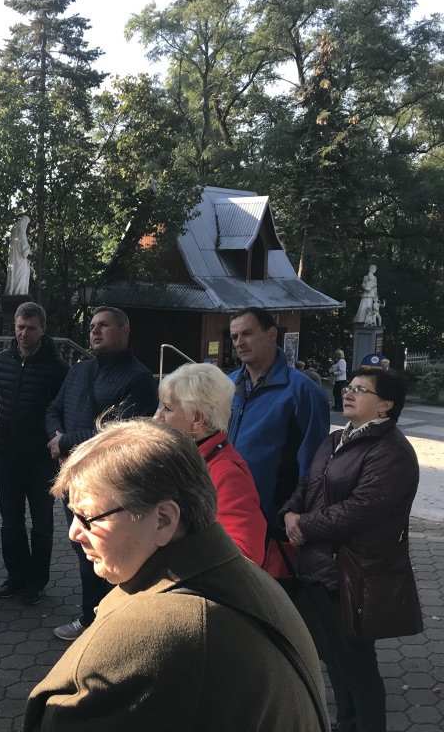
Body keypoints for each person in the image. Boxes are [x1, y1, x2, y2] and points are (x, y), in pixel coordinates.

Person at [24, 419, 327, 732]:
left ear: (163, 520)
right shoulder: (244, 575)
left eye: (88, 517)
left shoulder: (152, 633)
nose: (74, 533)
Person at [281, 368, 419, 732]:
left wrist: (303, 525)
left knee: (357, 666)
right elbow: (310, 482)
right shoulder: (336, 439)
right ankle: (347, 724)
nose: (349, 392)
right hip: (320, 568)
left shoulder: (391, 451)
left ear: (385, 405)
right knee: (335, 661)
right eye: (349, 386)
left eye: (361, 389)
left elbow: (362, 509)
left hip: (354, 572)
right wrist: (290, 512)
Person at [45, 306, 157, 640]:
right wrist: (56, 438)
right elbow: (53, 408)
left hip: (109, 482)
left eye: (104, 325)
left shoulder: (139, 378)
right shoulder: (79, 370)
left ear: (124, 331)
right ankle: (91, 618)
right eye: (92, 325)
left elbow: (120, 432)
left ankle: (112, 623)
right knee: (84, 550)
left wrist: (66, 442)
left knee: (109, 550)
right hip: (73, 477)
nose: (94, 330)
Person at [227, 307, 329, 573]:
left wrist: (296, 513)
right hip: (226, 512)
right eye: (234, 337)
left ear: (271, 334)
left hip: (273, 522)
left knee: (269, 593)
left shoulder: (303, 391)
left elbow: (314, 463)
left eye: (247, 334)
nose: (239, 342)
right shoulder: (225, 386)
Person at [0, 301, 69, 605]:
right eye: (20, 327)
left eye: (31, 328)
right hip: (5, 453)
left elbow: (60, 410)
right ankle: (16, 577)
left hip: (41, 459)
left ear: (43, 330)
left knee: (41, 523)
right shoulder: (1, 361)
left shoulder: (58, 368)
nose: (24, 333)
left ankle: (37, 582)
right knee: (10, 521)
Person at [154, 362, 266, 565]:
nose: (157, 417)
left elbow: (244, 556)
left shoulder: (226, 472)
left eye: (167, 409)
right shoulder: (187, 457)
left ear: (197, 418)